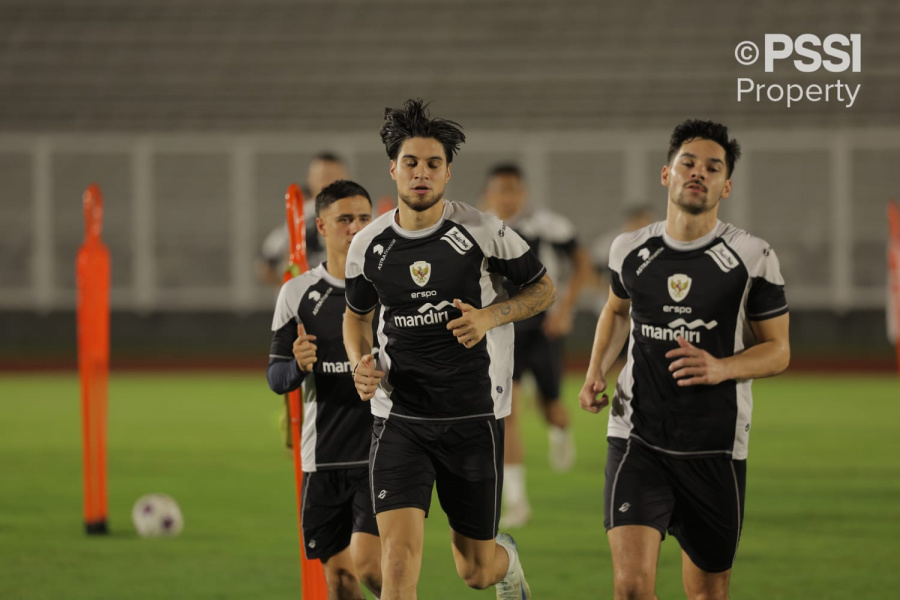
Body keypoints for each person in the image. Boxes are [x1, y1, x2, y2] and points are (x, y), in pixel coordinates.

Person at [343, 98, 557, 600]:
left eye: (432, 164)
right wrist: (360, 362)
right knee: (396, 568)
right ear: (393, 169)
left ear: (448, 172)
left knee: (475, 571)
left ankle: (506, 563)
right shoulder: (368, 245)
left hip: (471, 418)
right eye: (411, 163)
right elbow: (356, 317)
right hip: (399, 419)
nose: (421, 173)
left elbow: (542, 289)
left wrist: (489, 316)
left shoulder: (482, 230)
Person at [578, 119, 790, 600]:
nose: (699, 173)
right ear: (666, 175)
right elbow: (617, 310)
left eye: (713, 168)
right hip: (637, 437)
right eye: (688, 163)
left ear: (726, 185)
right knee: (631, 588)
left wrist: (723, 367)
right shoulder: (629, 248)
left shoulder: (752, 256)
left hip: (714, 447)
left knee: (707, 595)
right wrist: (595, 370)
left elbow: (778, 350)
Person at [267, 180, 382, 600]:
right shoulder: (297, 293)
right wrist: (297, 365)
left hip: (381, 452)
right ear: (321, 227)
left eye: (364, 218)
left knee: (372, 567)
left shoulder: (389, 289)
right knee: (340, 581)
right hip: (324, 458)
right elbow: (276, 377)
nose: (356, 227)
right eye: (345, 219)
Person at [481, 163, 592, 528]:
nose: (507, 196)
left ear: (523, 192)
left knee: (552, 407)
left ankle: (560, 432)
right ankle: (517, 501)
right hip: (501, 330)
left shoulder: (548, 225)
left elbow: (581, 263)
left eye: (513, 189)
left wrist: (566, 310)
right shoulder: (477, 228)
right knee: (507, 412)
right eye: (500, 189)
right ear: (489, 193)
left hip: (542, 329)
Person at [256, 152, 350, 289]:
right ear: (309, 179)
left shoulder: (361, 213)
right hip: (309, 301)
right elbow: (265, 264)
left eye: (332, 176)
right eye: (321, 177)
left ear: (345, 177)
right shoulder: (300, 216)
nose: (327, 183)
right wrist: (291, 291)